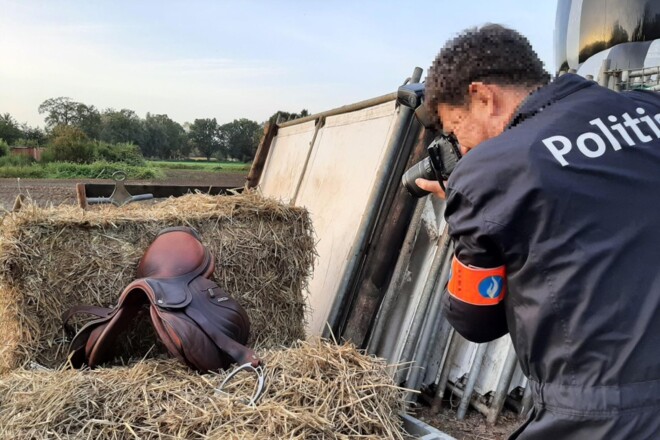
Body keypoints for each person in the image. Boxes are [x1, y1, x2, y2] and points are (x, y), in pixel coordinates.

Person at [415, 24, 660, 439]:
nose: (463, 150)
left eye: (457, 131)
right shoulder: (648, 110)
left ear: (482, 96)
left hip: (604, 417)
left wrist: (467, 207)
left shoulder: (489, 172)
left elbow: (476, 320)